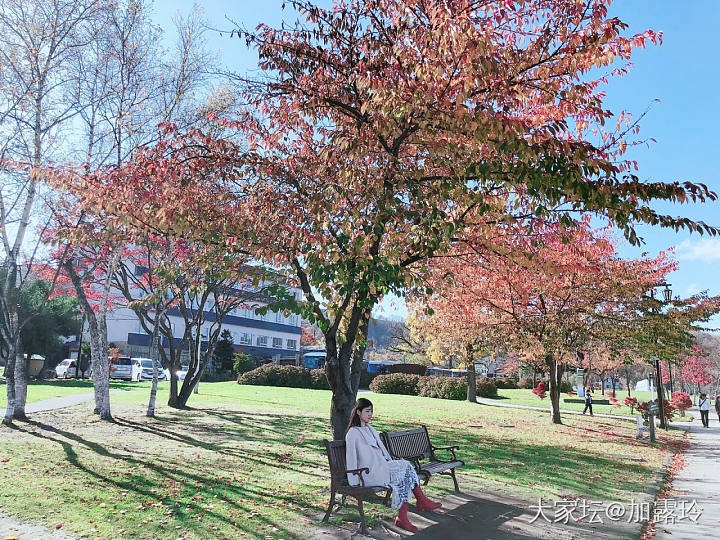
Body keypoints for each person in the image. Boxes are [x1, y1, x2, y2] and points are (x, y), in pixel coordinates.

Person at [345, 398, 442, 533]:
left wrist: (389, 461)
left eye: (371, 411)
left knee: (404, 472)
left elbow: (382, 451)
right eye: (367, 411)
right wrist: (354, 480)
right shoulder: (353, 433)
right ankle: (418, 503)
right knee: (405, 468)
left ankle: (405, 515)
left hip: (381, 468)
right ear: (358, 412)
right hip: (368, 474)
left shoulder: (370, 429)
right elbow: (351, 458)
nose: (370, 414)